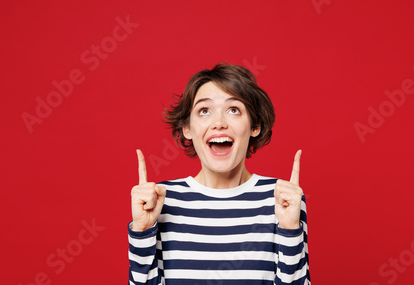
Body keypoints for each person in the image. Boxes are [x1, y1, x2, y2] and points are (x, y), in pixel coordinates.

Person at [128, 63, 310, 285]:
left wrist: (290, 230)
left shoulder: (282, 198)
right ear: (187, 128)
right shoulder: (161, 199)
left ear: (255, 126)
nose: (219, 123)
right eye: (204, 111)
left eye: (234, 110)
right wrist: (142, 231)